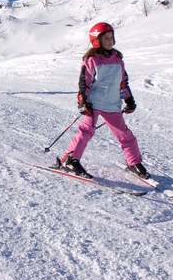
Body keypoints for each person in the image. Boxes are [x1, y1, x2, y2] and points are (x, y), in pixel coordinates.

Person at [60, 22, 148, 179]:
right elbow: (84, 81)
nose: (110, 41)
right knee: (87, 131)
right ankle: (70, 160)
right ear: (96, 41)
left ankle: (133, 162)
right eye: (106, 38)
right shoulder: (92, 60)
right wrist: (83, 101)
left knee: (126, 135)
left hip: (112, 104)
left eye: (111, 38)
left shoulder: (118, 60)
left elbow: (123, 82)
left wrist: (129, 99)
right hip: (94, 103)